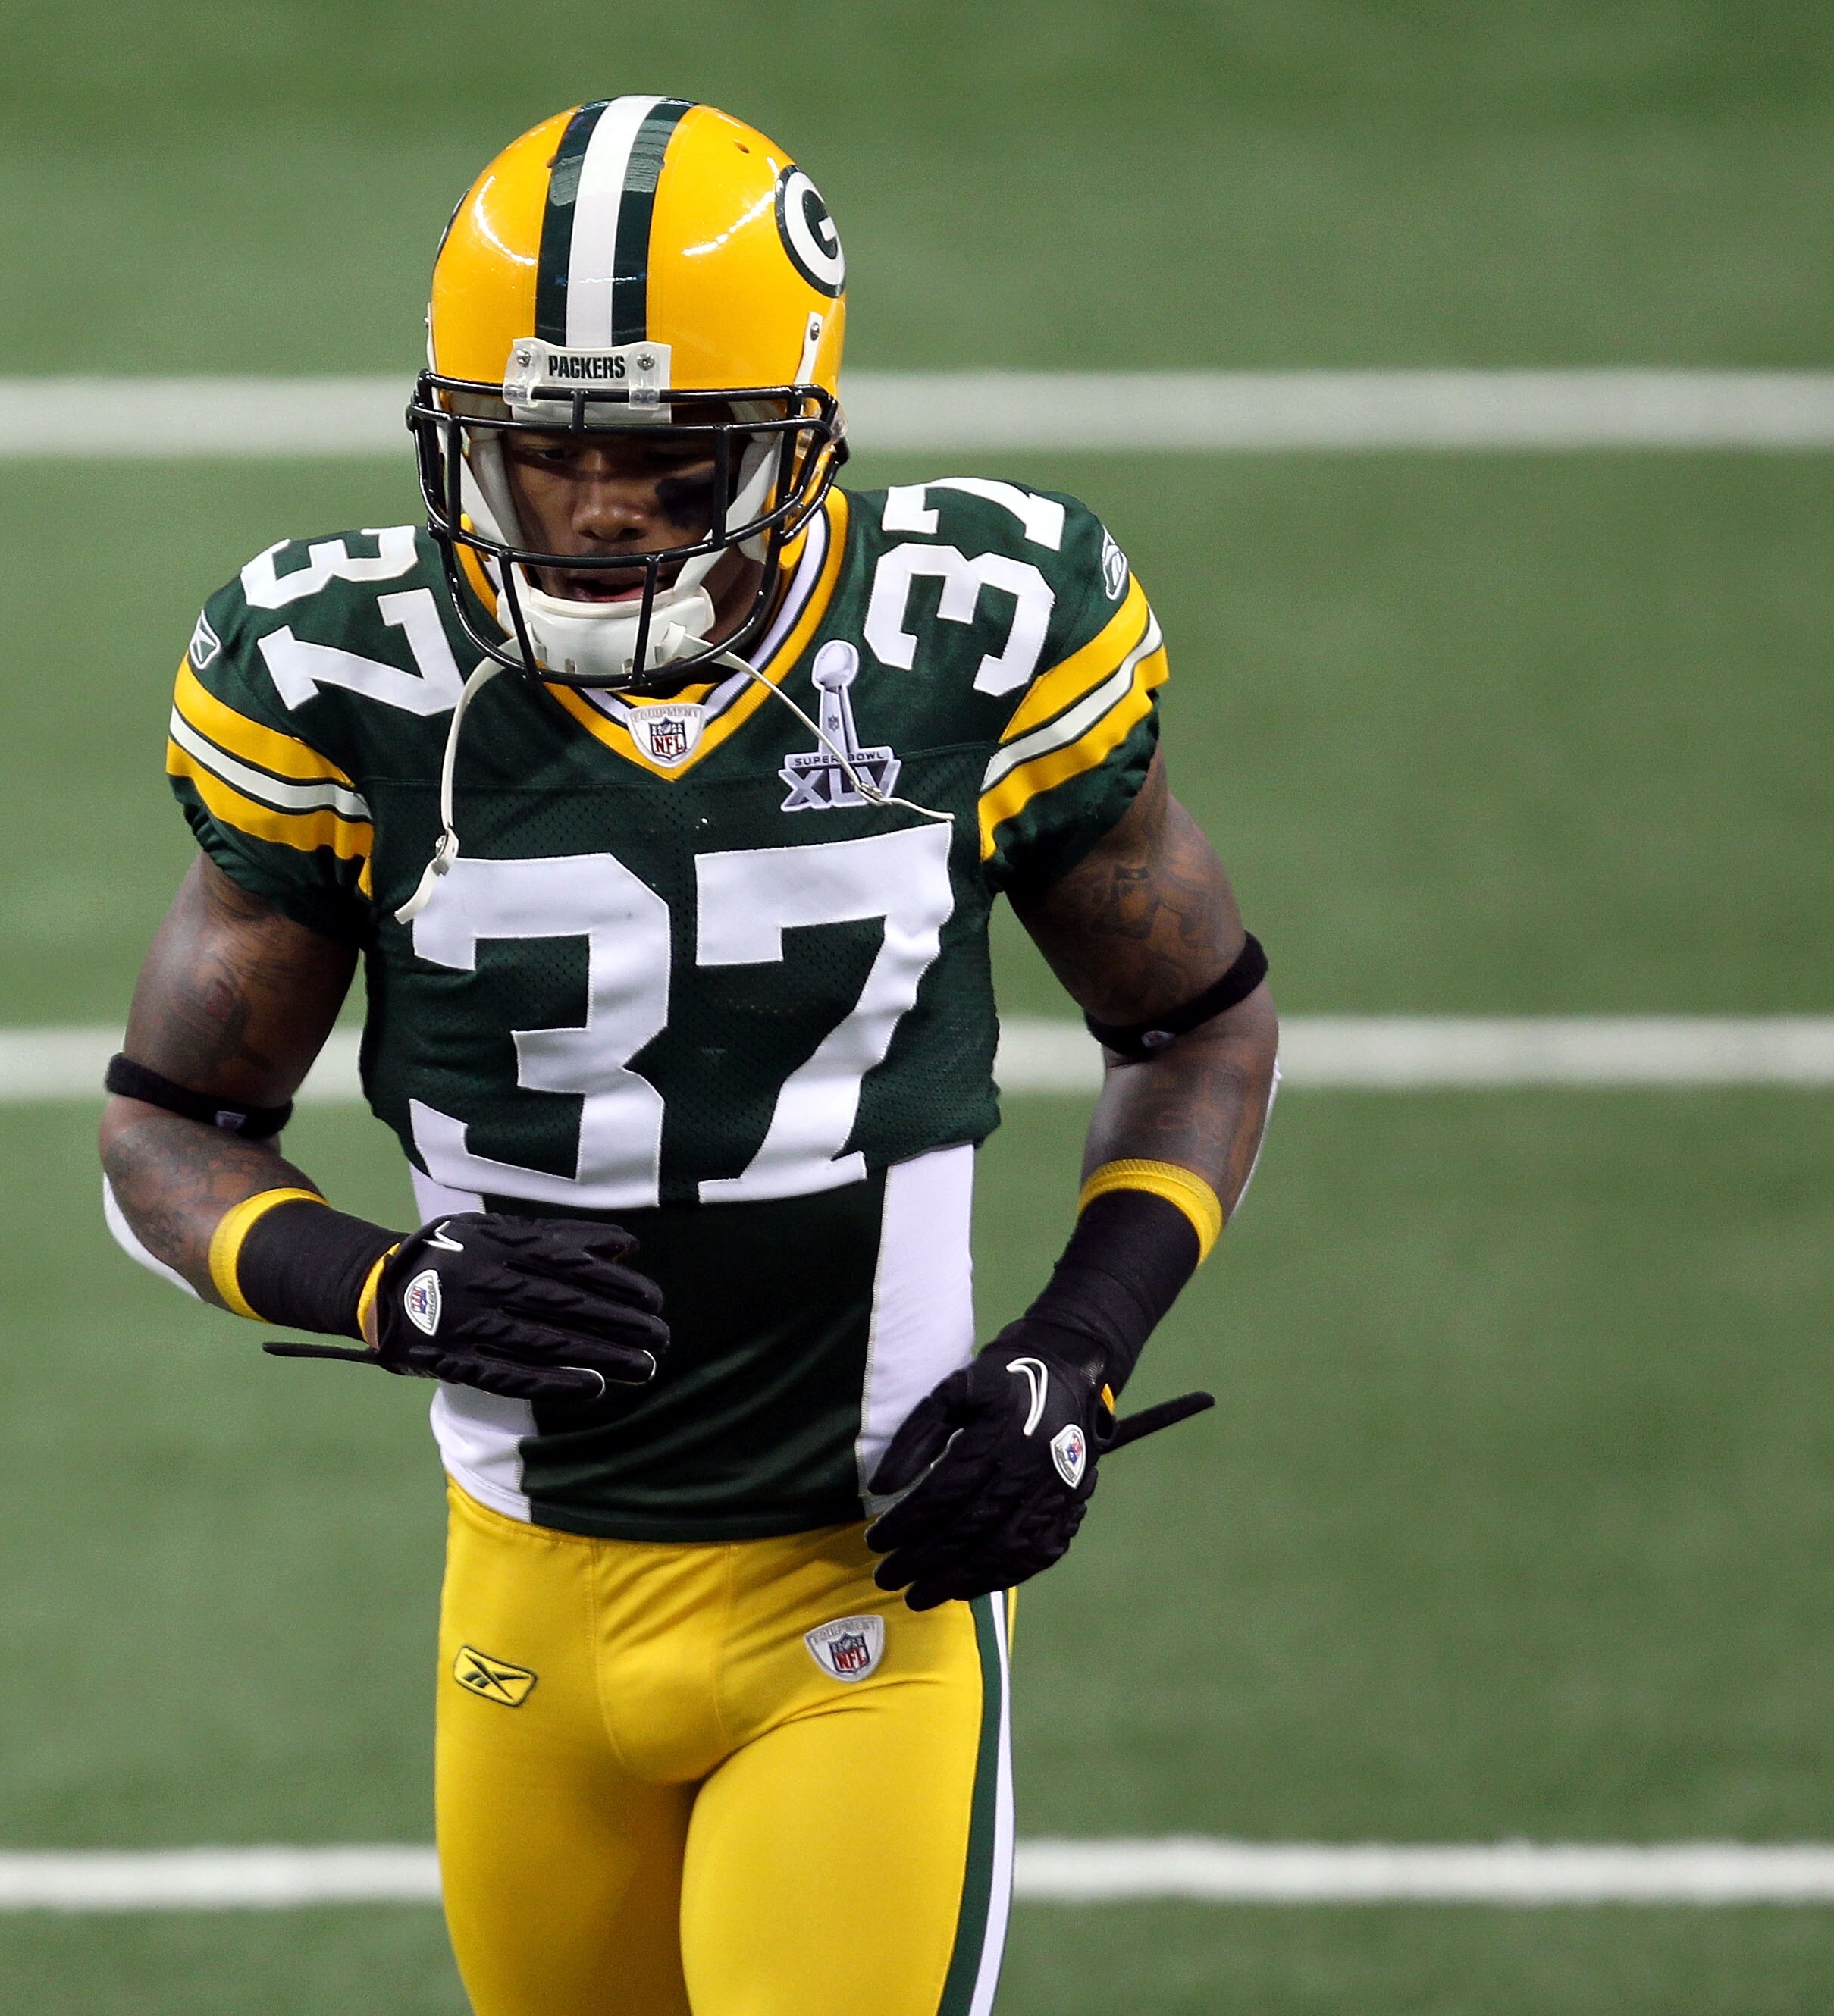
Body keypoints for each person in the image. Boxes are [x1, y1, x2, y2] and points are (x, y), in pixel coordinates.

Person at [98, 96, 1277, 2016]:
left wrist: (1076, 1346)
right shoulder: (340, 678)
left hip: (860, 1589)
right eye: (536, 451)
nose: (592, 509)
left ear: (795, 436)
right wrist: (379, 1284)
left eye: (661, 456)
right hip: (522, 1612)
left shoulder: (970, 637)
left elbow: (1195, 1027)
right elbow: (166, 1133)